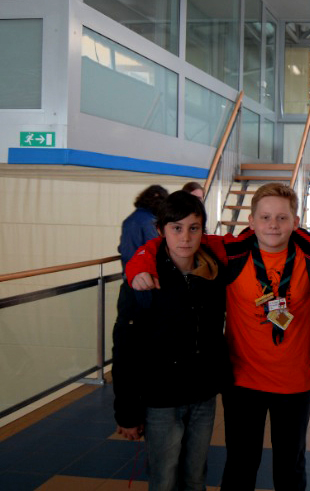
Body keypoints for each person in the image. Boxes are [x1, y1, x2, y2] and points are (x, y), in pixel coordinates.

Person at [126, 183, 310, 491]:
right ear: (251, 221)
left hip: (294, 383)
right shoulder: (230, 251)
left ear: (296, 221)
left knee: (290, 468)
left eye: (281, 218)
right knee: (240, 466)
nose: (273, 225)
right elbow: (169, 239)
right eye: (265, 217)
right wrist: (138, 265)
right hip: (243, 381)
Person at [112, 190, 230, 491]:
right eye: (176, 228)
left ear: (203, 230)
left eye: (193, 228)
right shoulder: (144, 280)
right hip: (160, 398)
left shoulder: (214, 273)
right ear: (161, 230)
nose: (185, 237)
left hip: (202, 394)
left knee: (195, 477)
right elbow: (125, 350)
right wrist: (127, 411)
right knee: (163, 479)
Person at [118, 184, 168, 268]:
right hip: (144, 271)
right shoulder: (150, 221)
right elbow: (156, 249)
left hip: (128, 269)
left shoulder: (128, 220)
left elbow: (121, 248)